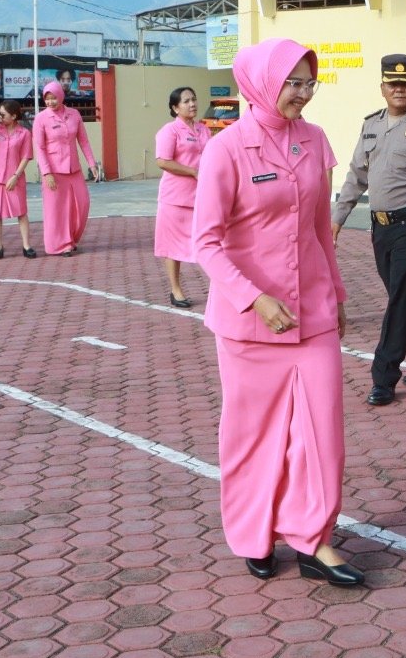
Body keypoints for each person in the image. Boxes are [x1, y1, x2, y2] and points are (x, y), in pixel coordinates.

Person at [192, 38, 362, 589]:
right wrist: (254, 297)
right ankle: (254, 535)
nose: (303, 94)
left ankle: (313, 537)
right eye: (293, 82)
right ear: (263, 82)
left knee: (323, 431)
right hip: (249, 321)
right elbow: (206, 242)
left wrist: (334, 291)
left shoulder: (313, 140)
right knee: (253, 435)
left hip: (311, 312)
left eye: (310, 83)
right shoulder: (228, 148)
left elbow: (319, 229)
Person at [331, 54, 406, 407]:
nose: (399, 89)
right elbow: (356, 175)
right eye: (392, 83)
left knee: (400, 299)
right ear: (382, 87)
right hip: (380, 228)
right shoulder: (371, 125)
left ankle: (384, 376)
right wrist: (336, 219)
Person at [154, 86, 209, 307]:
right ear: (175, 108)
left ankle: (219, 287)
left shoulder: (204, 130)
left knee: (208, 241)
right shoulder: (170, 131)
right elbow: (163, 161)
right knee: (172, 246)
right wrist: (192, 171)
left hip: (201, 197)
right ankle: (176, 290)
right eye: (186, 101)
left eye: (194, 99)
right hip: (175, 198)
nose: (192, 104)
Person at [32, 79, 100, 256]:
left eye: (54, 98)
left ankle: (70, 238)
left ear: (61, 96)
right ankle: (60, 245)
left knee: (82, 204)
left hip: (74, 169)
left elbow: (83, 141)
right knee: (57, 210)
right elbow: (40, 147)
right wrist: (46, 173)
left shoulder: (74, 114)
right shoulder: (41, 118)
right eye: (47, 99)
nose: (50, 102)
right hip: (53, 171)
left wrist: (92, 164)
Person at [0, 99, 35, 259]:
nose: (0, 117)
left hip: (15, 177)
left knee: (21, 211)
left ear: (13, 116)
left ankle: (26, 245)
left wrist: (15, 176)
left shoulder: (24, 133)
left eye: (3, 114)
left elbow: (26, 157)